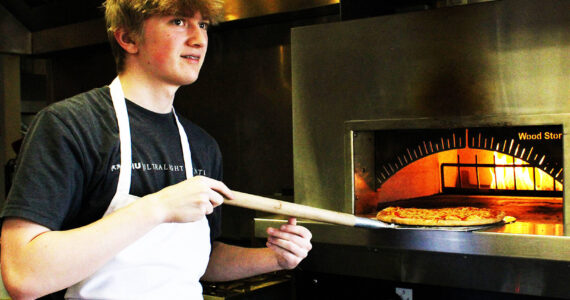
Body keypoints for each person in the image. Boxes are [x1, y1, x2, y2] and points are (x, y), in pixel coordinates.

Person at [0, 0, 312, 299]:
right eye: (179, 21)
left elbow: (200, 259)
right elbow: (24, 275)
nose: (199, 39)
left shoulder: (201, 145)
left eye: (202, 24)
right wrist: (158, 207)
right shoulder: (70, 126)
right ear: (128, 38)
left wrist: (274, 258)